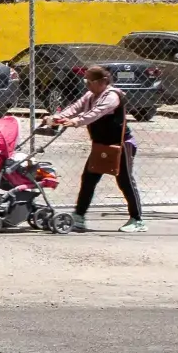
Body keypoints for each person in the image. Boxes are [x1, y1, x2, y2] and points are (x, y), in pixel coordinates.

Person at [47, 63, 144, 231]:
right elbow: (75, 108)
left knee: (125, 181)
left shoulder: (112, 96)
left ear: (102, 81)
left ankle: (137, 219)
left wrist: (76, 122)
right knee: (89, 179)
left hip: (121, 145)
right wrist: (56, 118)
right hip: (101, 146)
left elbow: (95, 113)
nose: (87, 84)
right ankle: (79, 216)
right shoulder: (90, 95)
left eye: (90, 81)